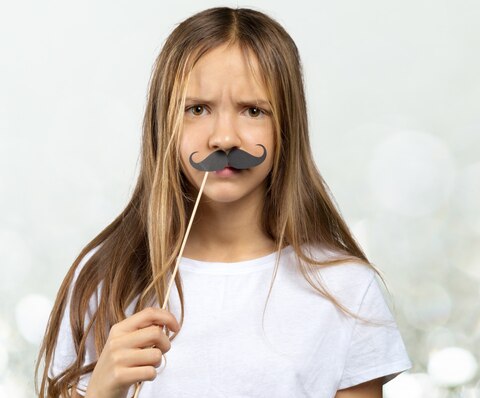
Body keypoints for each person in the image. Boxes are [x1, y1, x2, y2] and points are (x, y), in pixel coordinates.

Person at [36, 6, 412, 398]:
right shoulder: (105, 278)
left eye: (253, 110)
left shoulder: (346, 290)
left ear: (288, 124)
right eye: (197, 109)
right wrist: (101, 391)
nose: (225, 138)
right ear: (164, 123)